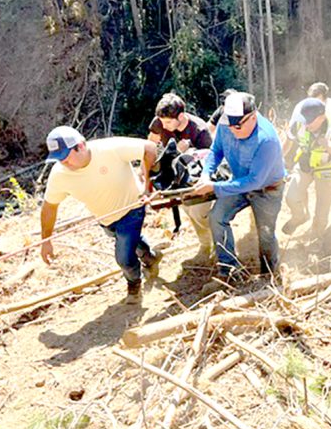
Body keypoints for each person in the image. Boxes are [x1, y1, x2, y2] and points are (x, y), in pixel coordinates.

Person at [40, 126, 158, 304]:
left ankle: (134, 283)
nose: (64, 163)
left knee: (124, 257)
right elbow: (49, 207)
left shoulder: (110, 148)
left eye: (66, 158)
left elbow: (149, 148)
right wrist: (46, 240)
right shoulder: (59, 175)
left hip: (132, 207)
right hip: (106, 219)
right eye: (59, 160)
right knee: (128, 241)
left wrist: (148, 184)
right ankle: (150, 258)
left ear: (80, 146)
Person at [190, 92, 285, 280]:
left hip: (266, 189)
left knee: (265, 233)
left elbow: (254, 181)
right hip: (238, 182)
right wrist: (206, 174)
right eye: (229, 124)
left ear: (253, 117)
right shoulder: (226, 124)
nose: (233, 130)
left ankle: (269, 275)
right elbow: (216, 150)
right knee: (217, 216)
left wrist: (215, 188)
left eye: (238, 126)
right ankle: (228, 270)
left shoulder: (267, 140)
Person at [148, 93, 213, 257]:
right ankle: (205, 244)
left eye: (168, 122)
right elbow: (150, 145)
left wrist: (187, 152)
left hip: (196, 180)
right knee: (188, 210)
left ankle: (220, 245)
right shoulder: (161, 121)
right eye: (162, 122)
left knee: (199, 213)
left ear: (181, 116)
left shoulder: (200, 131)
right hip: (173, 177)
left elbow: (209, 163)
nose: (164, 125)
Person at [283, 98, 331, 237]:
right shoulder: (299, 123)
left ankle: (315, 241)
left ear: (322, 117)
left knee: (321, 211)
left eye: (310, 121)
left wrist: (325, 143)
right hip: (305, 165)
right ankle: (300, 216)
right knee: (291, 197)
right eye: (305, 120)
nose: (306, 124)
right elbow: (288, 143)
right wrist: (277, 158)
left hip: (327, 170)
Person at [284, 82, 331, 162]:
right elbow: (288, 141)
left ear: (326, 100)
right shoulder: (300, 110)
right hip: (306, 158)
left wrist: (324, 142)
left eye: (319, 102)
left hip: (330, 161)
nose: (314, 106)